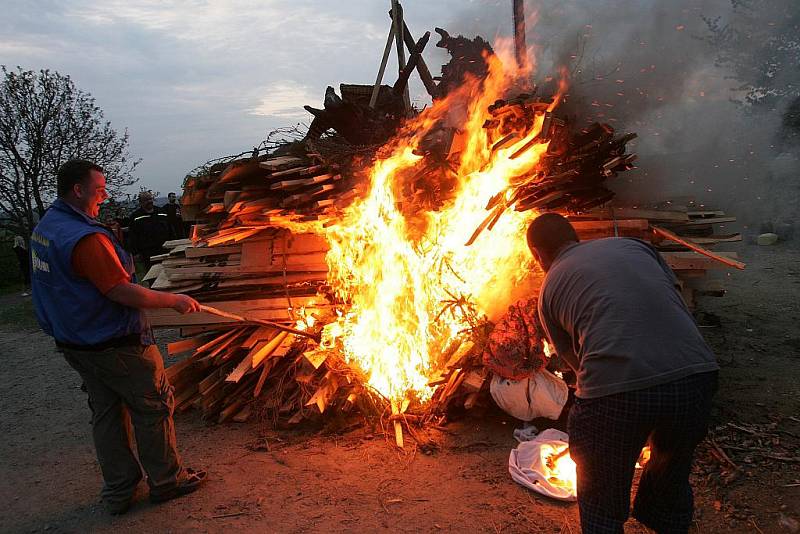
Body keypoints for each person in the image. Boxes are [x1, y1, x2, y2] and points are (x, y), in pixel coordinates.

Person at [30, 160, 207, 515]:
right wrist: (174, 301)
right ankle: (167, 481)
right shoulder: (85, 238)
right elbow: (120, 292)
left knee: (107, 413)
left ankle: (120, 490)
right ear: (77, 190)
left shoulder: (47, 227)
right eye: (99, 189)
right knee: (152, 406)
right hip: (112, 340)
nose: (106, 195)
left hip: (74, 341)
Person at [526, 213, 719, 534]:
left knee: (599, 488)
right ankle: (667, 519)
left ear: (537, 253)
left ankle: (606, 517)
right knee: (670, 474)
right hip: (697, 376)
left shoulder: (549, 288)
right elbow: (671, 298)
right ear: (573, 237)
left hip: (616, 392)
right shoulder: (634, 247)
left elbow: (575, 362)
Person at [128, 190, 171, 272]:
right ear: (141, 202)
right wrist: (135, 253)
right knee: (153, 275)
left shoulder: (162, 212)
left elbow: (170, 229)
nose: (149, 201)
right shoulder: (135, 217)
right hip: (147, 252)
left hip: (164, 249)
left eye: (150, 199)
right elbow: (133, 236)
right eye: (146, 200)